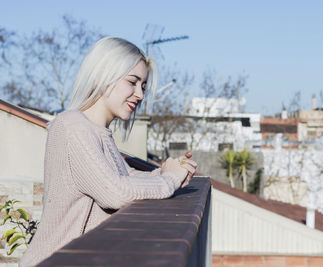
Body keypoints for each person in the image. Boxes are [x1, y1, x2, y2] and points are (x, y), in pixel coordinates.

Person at [19, 37, 197, 267]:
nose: (140, 95)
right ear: (104, 75)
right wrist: (169, 180)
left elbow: (125, 177)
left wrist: (168, 173)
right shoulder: (72, 126)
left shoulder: (98, 132)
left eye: (142, 86)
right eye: (132, 82)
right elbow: (114, 191)